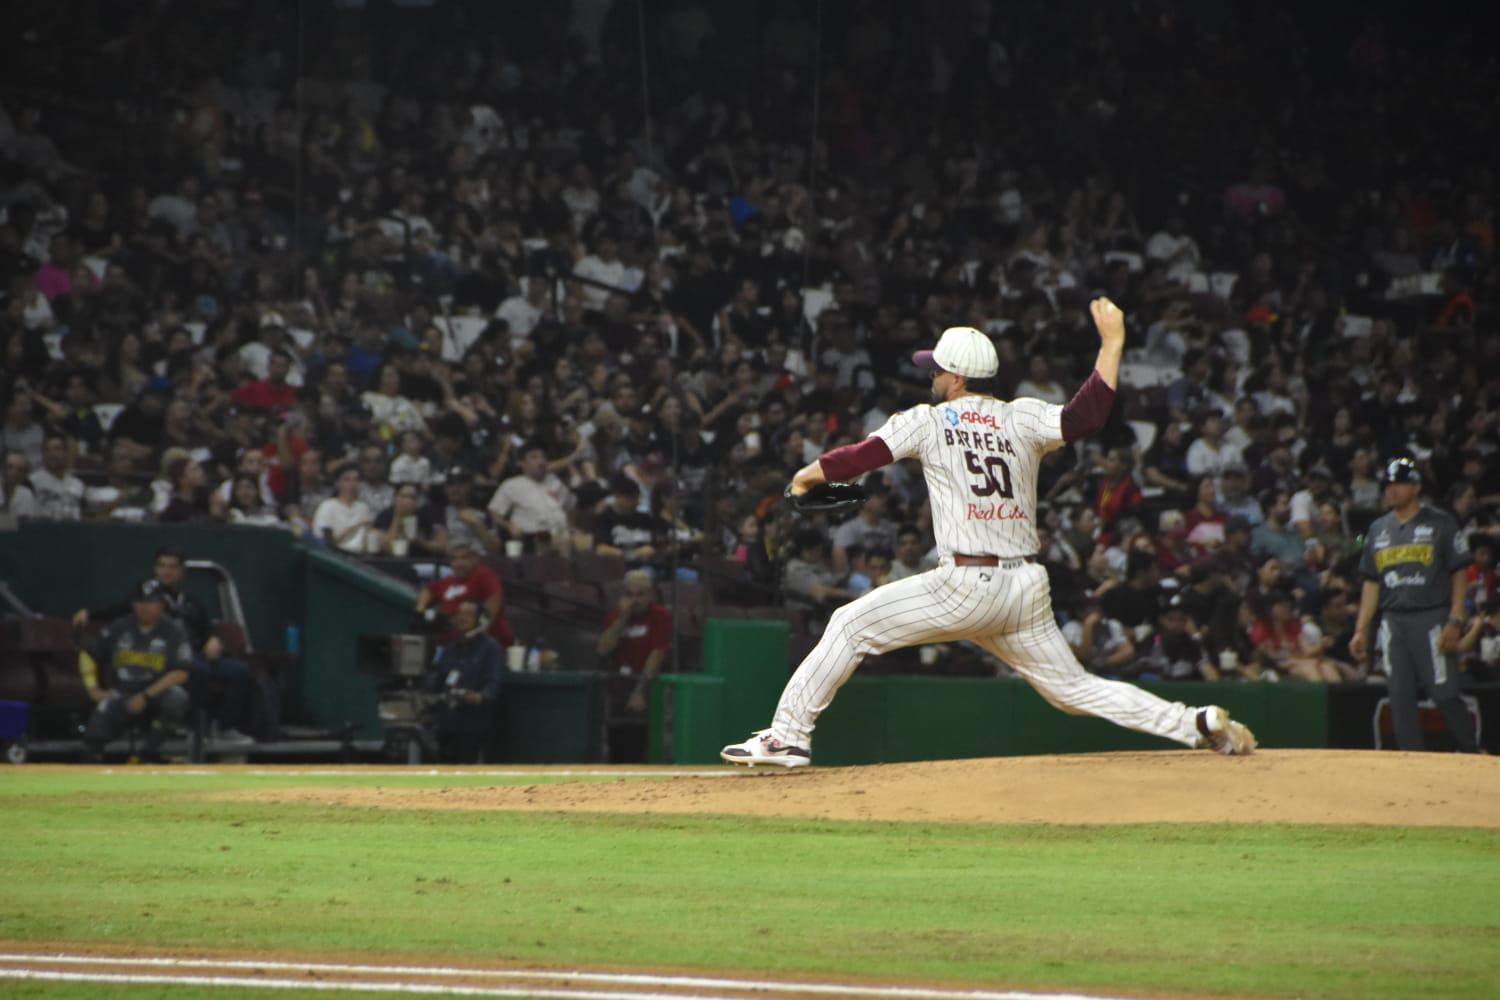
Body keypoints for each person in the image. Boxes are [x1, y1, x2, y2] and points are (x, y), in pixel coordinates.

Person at [721, 301, 1256, 767]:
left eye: (936, 370)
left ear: (955, 378)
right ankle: (1195, 722)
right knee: (1072, 689)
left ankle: (788, 738)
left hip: (965, 585)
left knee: (848, 624)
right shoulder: (1023, 417)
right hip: (1024, 589)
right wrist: (1112, 342)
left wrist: (805, 476)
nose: (930, 376)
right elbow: (1086, 416)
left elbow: (858, 458)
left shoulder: (928, 420)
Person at [1349, 458, 1480, 752]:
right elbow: (1371, 582)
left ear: (1416, 486)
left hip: (1431, 617)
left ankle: (1473, 752)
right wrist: (1361, 629)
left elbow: (1459, 572)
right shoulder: (1378, 529)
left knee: (1445, 692)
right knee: (1399, 697)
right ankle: (1412, 762)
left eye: (1399, 483)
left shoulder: (1440, 522)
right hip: (1393, 620)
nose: (1391, 490)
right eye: (1388, 484)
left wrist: (1456, 619)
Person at [74, 547, 261, 742]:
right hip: (166, 659)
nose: (167, 571)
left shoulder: (191, 601)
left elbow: (207, 629)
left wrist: (214, 640)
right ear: (155, 569)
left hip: (197, 654)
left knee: (238, 672)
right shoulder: (147, 596)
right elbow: (118, 609)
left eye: (172, 567)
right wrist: (90, 613)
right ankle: (191, 727)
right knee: (195, 671)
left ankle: (225, 727)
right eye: (162, 566)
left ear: (182, 572)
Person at [77, 579, 194, 762]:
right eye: (140, 602)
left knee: (177, 698)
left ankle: (146, 754)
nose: (145, 607)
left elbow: (181, 672)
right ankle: (92, 765)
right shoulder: (119, 627)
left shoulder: (173, 631)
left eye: (150, 602)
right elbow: (88, 654)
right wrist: (92, 688)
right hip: (122, 692)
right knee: (96, 728)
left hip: (155, 693)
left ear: (161, 604)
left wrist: (145, 696)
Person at [596, 570, 672, 762]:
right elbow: (603, 649)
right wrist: (622, 618)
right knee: (618, 746)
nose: (635, 600)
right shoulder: (617, 615)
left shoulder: (660, 616)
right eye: (630, 595)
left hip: (648, 684)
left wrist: (641, 691)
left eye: (640, 595)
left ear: (650, 595)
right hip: (620, 685)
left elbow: (657, 654)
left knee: (642, 746)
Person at [425, 599, 503, 763]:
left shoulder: (490, 648)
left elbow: (493, 682)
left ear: (480, 620)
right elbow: (438, 681)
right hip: (447, 722)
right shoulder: (450, 649)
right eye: (459, 614)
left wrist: (480, 696)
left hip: (473, 722)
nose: (462, 618)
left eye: (468, 614)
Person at [414, 539, 515, 649]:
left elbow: (492, 605)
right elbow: (428, 590)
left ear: (475, 558)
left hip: (482, 645)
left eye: (464, 558)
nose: (458, 563)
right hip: (451, 644)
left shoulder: (484, 576)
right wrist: (420, 609)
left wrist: (472, 634)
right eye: (454, 559)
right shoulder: (450, 580)